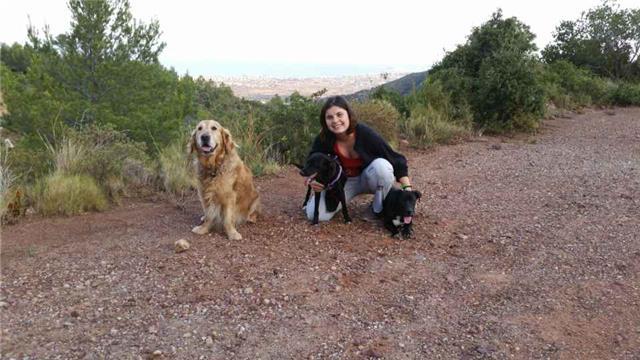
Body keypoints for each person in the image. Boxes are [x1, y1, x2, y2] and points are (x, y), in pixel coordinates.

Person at [303, 95, 413, 222]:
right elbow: (311, 161)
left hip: (369, 178)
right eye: (329, 117)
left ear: (348, 115)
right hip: (342, 183)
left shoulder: (365, 134)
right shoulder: (324, 139)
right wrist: (313, 180)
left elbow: (396, 159)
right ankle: (383, 193)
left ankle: (376, 208)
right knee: (315, 215)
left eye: (339, 114)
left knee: (382, 167)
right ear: (325, 121)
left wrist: (407, 191)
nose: (335, 120)